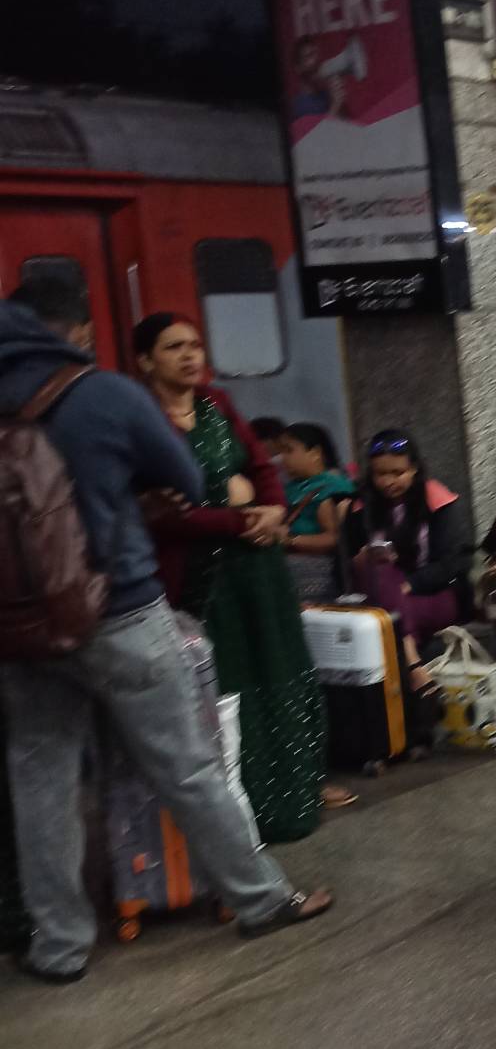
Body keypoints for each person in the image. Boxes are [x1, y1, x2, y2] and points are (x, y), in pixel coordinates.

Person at [0, 276, 328, 980]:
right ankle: (260, 898)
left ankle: (59, 946)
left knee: (40, 780)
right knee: (186, 763)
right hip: (118, 608)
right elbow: (186, 474)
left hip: (21, 627)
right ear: (80, 331)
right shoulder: (103, 393)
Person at [134, 313, 330, 842]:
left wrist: (272, 508)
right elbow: (164, 512)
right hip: (202, 578)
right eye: (174, 347)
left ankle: (296, 798)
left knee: (279, 666)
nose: (189, 355)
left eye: (194, 345)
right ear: (146, 360)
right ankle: (243, 816)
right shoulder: (142, 418)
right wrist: (236, 512)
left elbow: (262, 468)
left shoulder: (216, 404)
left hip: (258, 568)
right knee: (228, 685)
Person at [342, 432, 472, 682]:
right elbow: (343, 562)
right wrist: (358, 560)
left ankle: (411, 662)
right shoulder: (361, 506)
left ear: (414, 469)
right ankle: (412, 660)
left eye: (397, 473)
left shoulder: (435, 499)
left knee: (391, 613)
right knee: (380, 574)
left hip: (432, 594)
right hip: (379, 595)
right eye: (381, 474)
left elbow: (454, 561)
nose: (388, 481)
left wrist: (410, 583)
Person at [278, 423, 356, 604]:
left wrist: (289, 541)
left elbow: (334, 539)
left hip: (318, 570)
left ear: (315, 453)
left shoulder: (333, 488)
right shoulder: (291, 488)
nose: (283, 458)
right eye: (282, 452)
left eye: (289, 450)